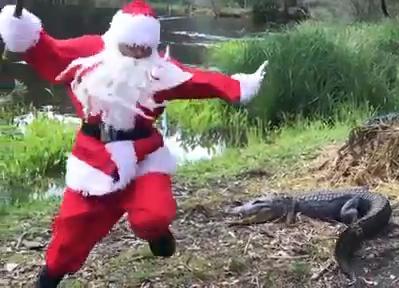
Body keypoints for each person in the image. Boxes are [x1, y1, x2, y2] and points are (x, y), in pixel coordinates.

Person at [0, 1, 268, 287]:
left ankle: (157, 232)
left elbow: (198, 80)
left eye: (145, 48)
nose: (139, 53)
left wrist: (237, 87)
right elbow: (49, 52)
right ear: (119, 38)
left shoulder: (159, 69)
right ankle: (50, 276)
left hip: (144, 155)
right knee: (73, 227)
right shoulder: (89, 52)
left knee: (153, 213)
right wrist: (24, 35)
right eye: (132, 46)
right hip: (95, 158)